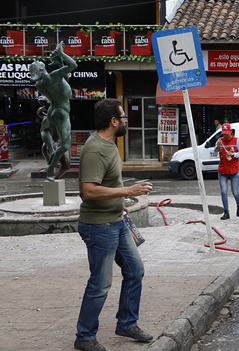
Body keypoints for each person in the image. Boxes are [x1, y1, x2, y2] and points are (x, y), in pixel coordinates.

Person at [75, 98, 154, 351]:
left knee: (134, 271)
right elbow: (89, 191)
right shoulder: (96, 149)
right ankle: (84, 337)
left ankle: (126, 323)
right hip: (99, 227)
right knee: (100, 283)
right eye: (123, 118)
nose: (126, 122)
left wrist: (124, 198)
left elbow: (105, 185)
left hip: (117, 222)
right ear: (113, 121)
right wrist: (127, 190)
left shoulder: (109, 145)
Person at [29, 41, 77, 180]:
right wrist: (62, 54)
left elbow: (64, 83)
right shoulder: (53, 77)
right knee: (65, 146)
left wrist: (59, 63)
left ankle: (50, 150)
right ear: (43, 70)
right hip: (61, 112)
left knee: (44, 129)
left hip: (52, 110)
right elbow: (73, 65)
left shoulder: (40, 83)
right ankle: (51, 167)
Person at [215, 123, 239, 219]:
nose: (225, 136)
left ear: (231, 132)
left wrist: (233, 154)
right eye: (223, 134)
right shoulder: (220, 141)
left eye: (227, 133)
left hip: (234, 169)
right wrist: (217, 148)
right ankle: (226, 212)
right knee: (223, 191)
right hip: (222, 169)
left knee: (235, 192)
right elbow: (213, 153)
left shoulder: (236, 141)